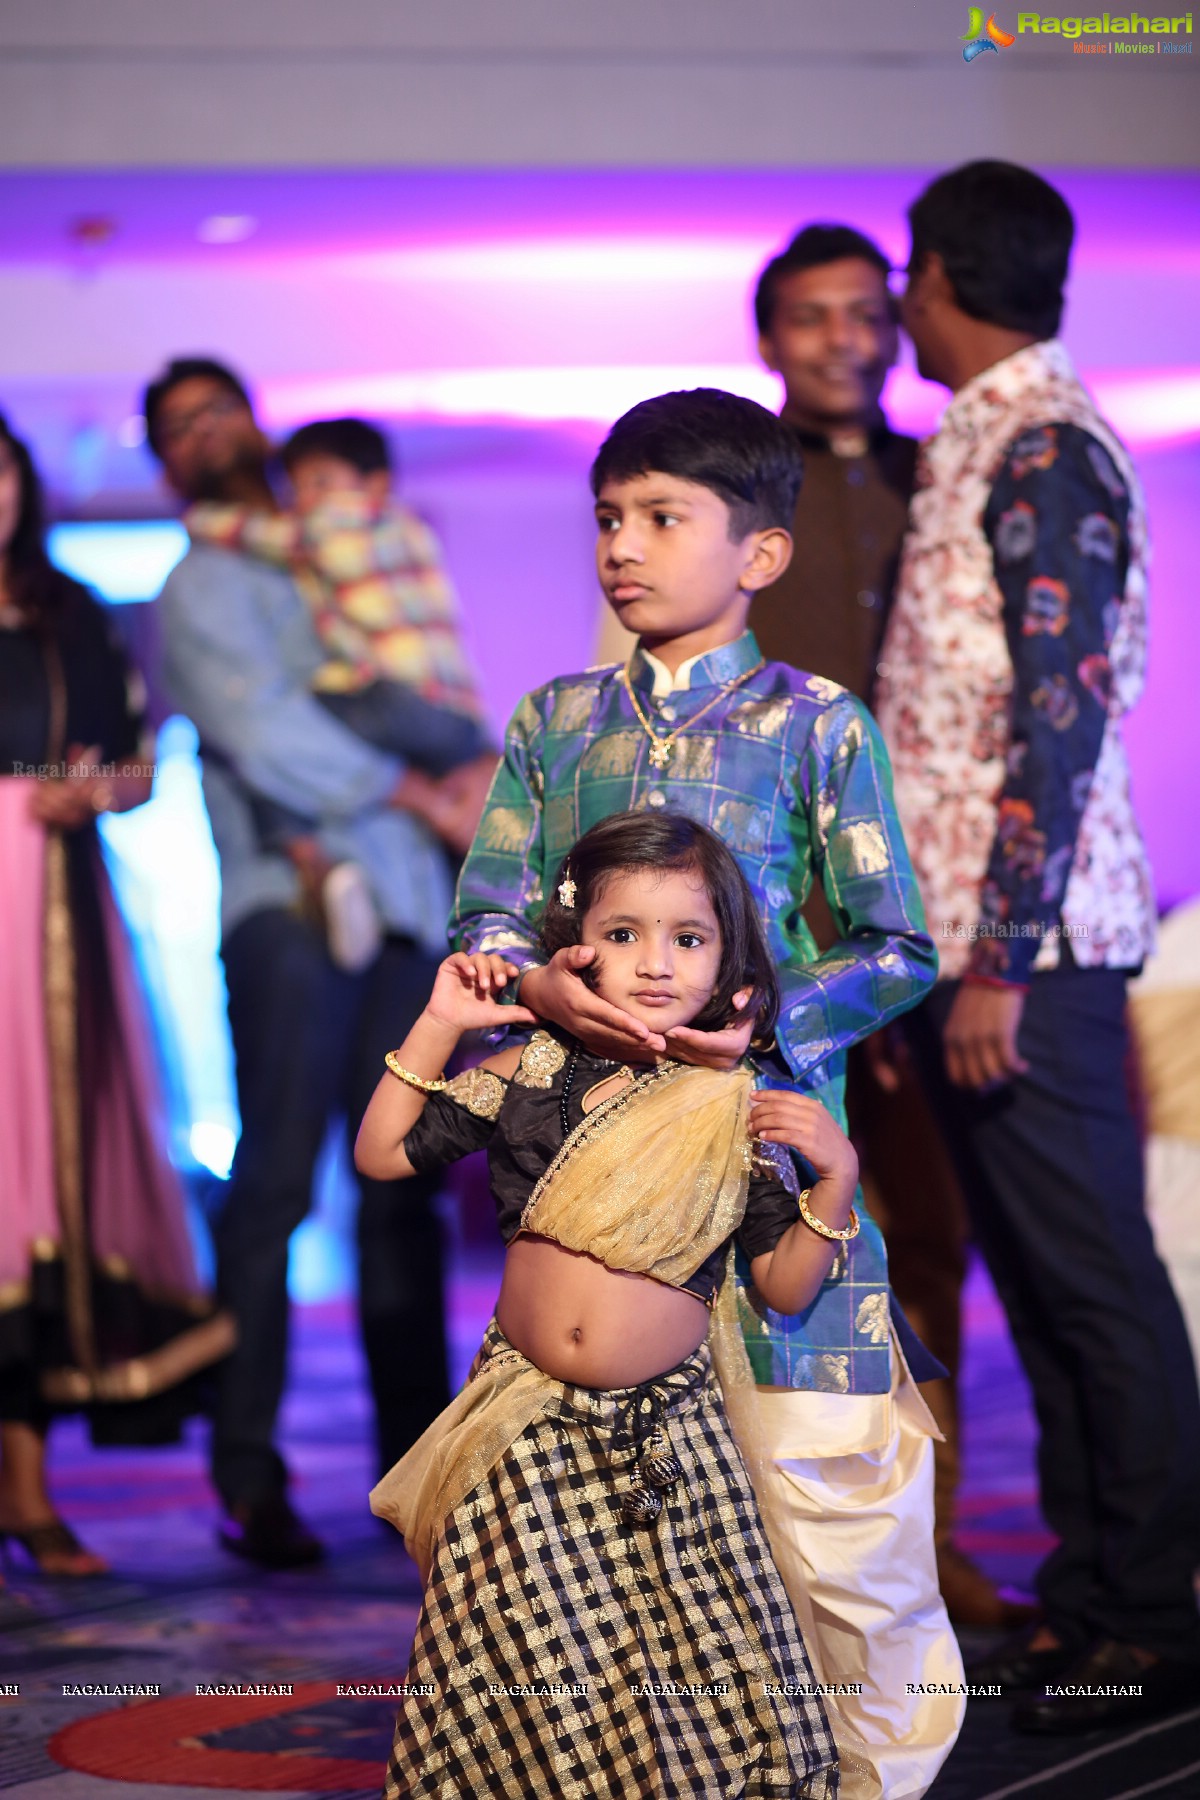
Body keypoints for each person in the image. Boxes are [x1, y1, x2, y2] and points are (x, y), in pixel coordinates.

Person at [453, 388, 964, 1798]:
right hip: (603, 1195)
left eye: (663, 517)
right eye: (609, 517)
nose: (622, 545)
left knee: (836, 1521)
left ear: (761, 554)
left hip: (767, 1169)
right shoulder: (555, 724)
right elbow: (488, 920)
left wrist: (757, 1019)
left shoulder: (817, 725)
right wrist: (543, 987)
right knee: (625, 1562)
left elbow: (901, 944)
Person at [875, 159, 1200, 1732]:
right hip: (972, 939)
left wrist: (1000, 955)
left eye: (904, 276)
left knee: (1096, 1283)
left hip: (1038, 946)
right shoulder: (987, 432)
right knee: (1047, 1286)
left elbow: (1057, 724)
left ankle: (1148, 1610)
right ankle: (1094, 1605)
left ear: (937, 275)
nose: (899, 300)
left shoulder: (1046, 443)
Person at [358, 812, 852, 1798]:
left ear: (731, 968)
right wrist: (443, 1023)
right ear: (577, 946)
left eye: (688, 938)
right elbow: (381, 1154)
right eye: (624, 935)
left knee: (675, 1649)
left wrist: (834, 1178)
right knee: (522, 1635)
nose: (656, 963)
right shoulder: (531, 1067)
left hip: (664, 1435)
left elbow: (784, 1286)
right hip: (523, 1417)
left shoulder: (729, 1109)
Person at [146, 358, 463, 1569]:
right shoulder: (200, 584)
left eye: (215, 408)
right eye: (176, 428)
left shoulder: (337, 554)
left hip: (396, 903)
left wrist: (448, 775)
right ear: (165, 464)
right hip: (283, 912)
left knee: (403, 1191)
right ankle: (248, 1475)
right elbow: (263, 730)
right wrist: (412, 789)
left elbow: (422, 680)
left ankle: (423, 1473)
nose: (202, 433)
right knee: (276, 1188)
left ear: (256, 423)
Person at [750, 223, 1018, 1628]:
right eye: (812, 317)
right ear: (770, 337)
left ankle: (934, 1527)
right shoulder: (747, 495)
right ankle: (790, 1548)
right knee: (790, 1239)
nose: (845, 339)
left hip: (946, 910)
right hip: (795, 934)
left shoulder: (946, 479)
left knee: (933, 1231)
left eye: (866, 312)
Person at [0, 413, 233, 1579]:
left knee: (45, 1185)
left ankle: (29, 1487)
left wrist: (78, 794)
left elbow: (137, 768)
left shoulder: (71, 613)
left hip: (48, 917)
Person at [186, 417, 495, 956]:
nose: (305, 500)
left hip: (396, 698)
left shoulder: (333, 523)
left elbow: (260, 535)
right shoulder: (409, 527)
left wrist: (201, 520)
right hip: (455, 712)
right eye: (299, 489)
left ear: (373, 484)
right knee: (463, 814)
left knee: (282, 732)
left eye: (320, 482)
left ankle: (308, 859)